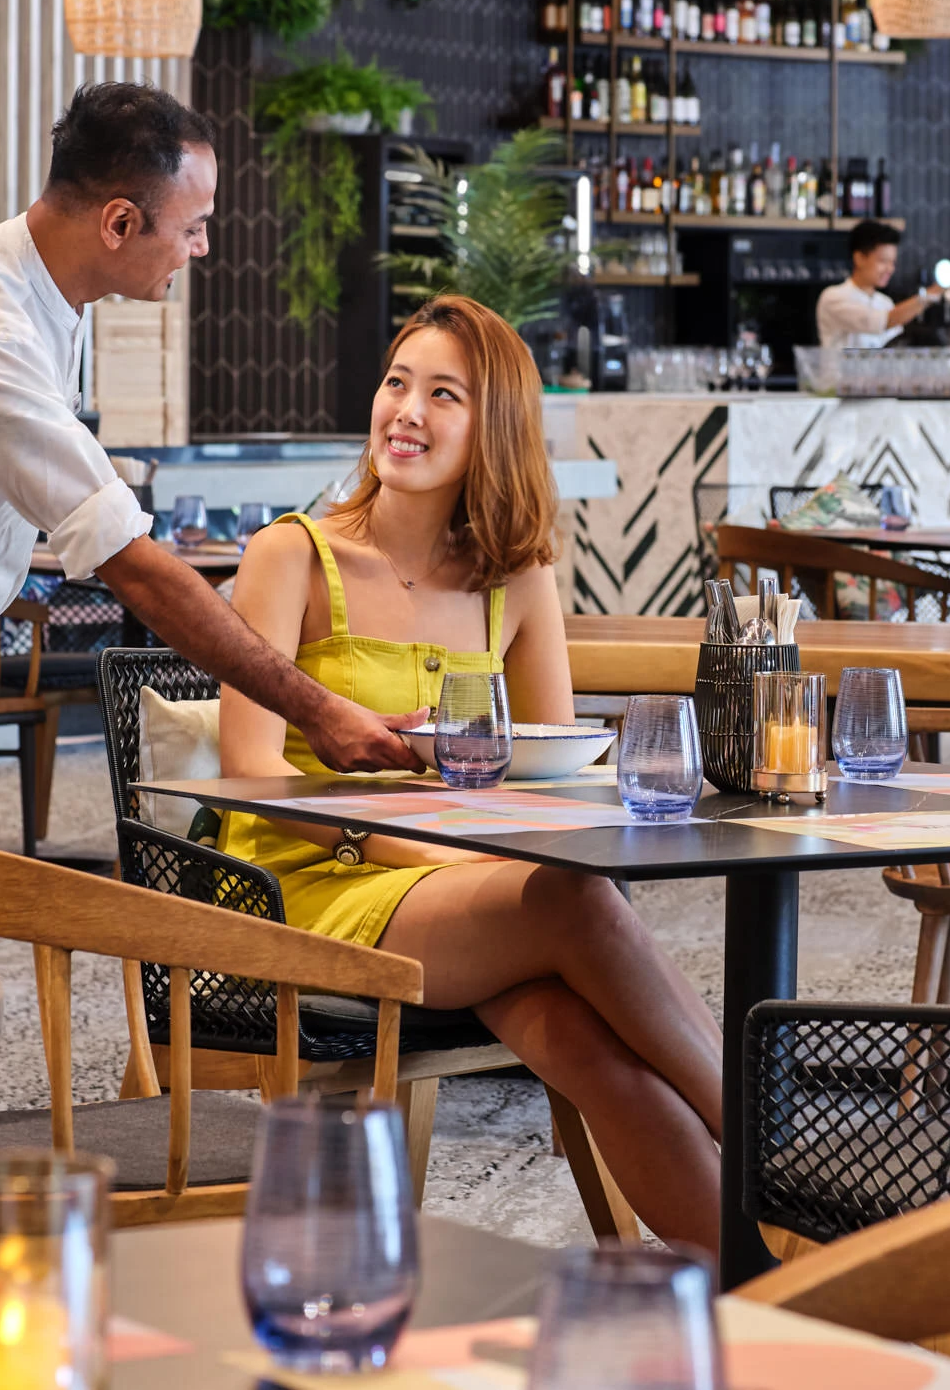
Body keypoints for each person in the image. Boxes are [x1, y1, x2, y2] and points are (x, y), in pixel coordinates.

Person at [0, 82, 425, 1255]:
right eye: (194, 222)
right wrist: (320, 709)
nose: (202, 246)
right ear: (122, 222)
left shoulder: (32, 291)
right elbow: (142, 575)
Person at [219, 296, 725, 1253]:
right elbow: (249, 771)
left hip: (459, 889)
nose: (404, 410)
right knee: (576, 902)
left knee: (579, 1041)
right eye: (396, 382)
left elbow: (555, 771)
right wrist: (415, 844)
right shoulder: (291, 555)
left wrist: (467, 852)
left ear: (491, 426)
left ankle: (774, 1296)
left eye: (441, 393)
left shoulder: (517, 581)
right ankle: (775, 1152)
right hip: (306, 890)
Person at [814, 219, 941, 351]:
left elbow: (895, 345)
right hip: (840, 372)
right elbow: (882, 322)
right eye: (883, 261)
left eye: (893, 263)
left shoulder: (885, 302)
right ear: (859, 258)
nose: (890, 269)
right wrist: (933, 293)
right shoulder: (833, 297)